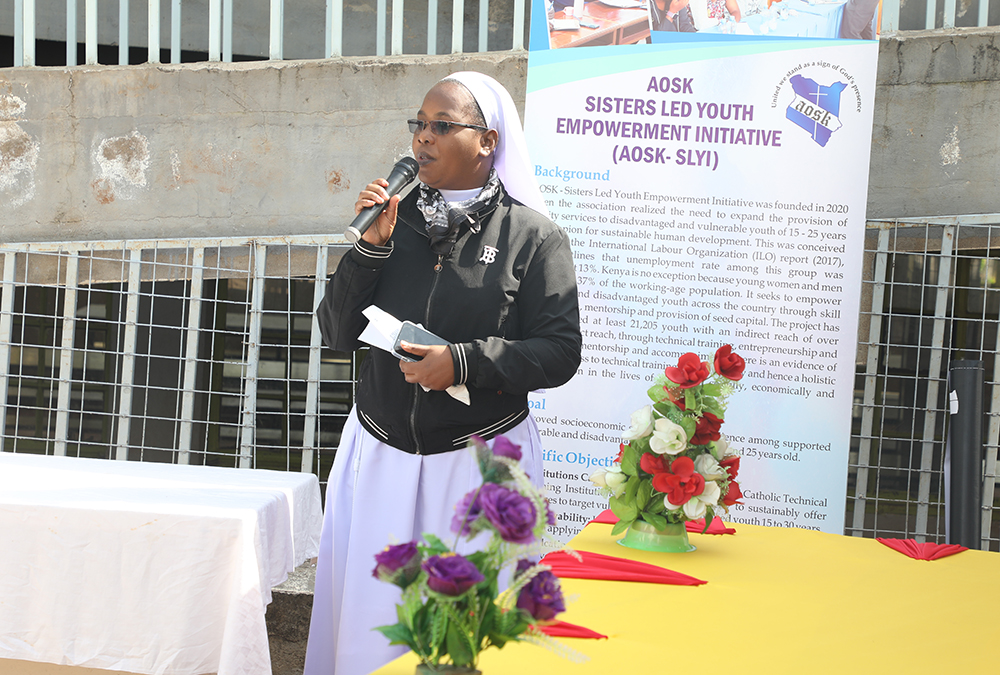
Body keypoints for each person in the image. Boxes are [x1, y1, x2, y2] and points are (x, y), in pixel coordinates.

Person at [303, 72, 582, 675]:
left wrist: (462, 361)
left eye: (441, 126)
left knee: (472, 639)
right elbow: (336, 331)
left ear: (487, 141)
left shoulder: (534, 238)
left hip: (476, 467)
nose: (422, 139)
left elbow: (559, 352)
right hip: (379, 452)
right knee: (371, 636)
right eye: (418, 125)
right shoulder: (391, 220)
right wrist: (369, 249)